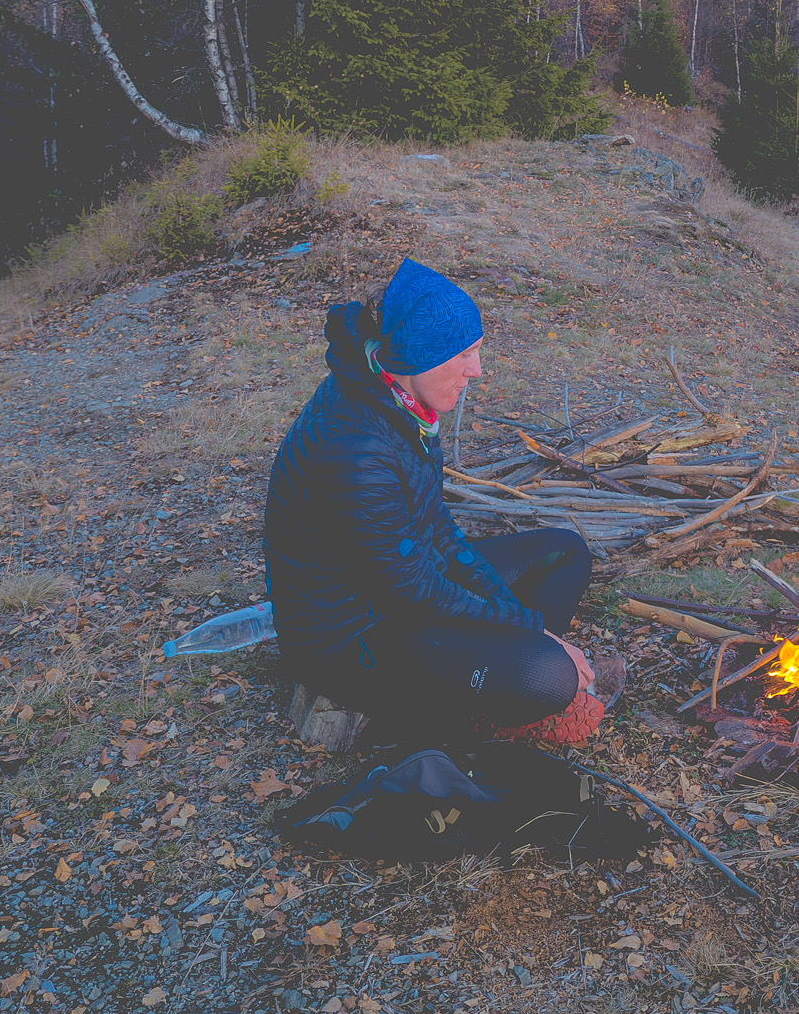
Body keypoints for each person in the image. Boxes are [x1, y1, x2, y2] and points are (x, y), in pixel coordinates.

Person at [265, 258, 623, 744]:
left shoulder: (397, 402)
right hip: (354, 639)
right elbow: (414, 592)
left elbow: (436, 527)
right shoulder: (354, 450)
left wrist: (517, 620)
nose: (476, 371)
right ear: (418, 356)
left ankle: (496, 673)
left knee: (566, 552)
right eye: (463, 355)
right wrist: (532, 631)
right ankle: (479, 708)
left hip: (398, 582)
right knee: (548, 677)